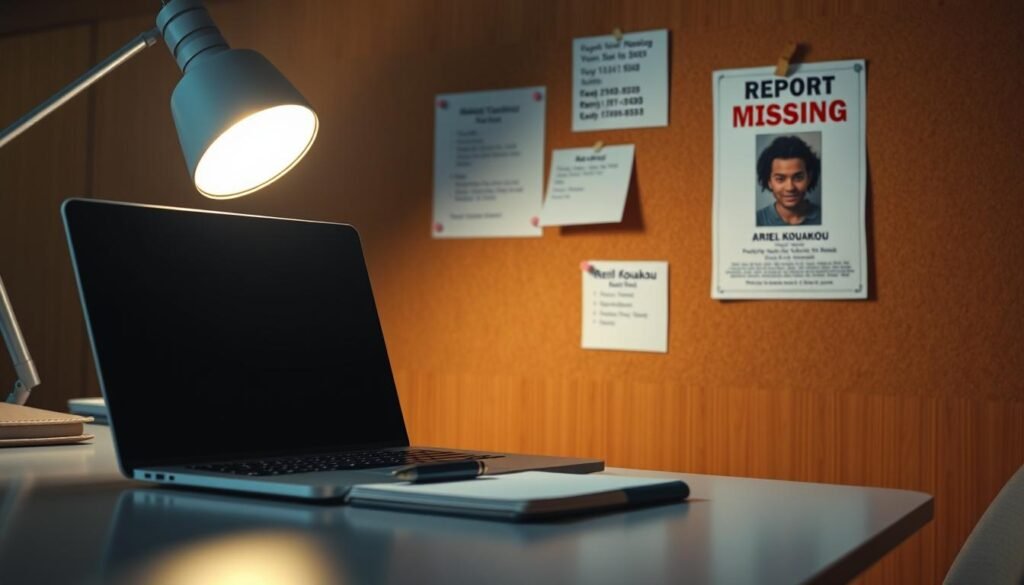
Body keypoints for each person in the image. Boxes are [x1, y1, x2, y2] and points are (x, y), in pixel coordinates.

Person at [755, 135, 822, 226]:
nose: (790, 187)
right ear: (769, 181)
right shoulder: (757, 220)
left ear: (809, 178)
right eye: (780, 179)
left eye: (798, 178)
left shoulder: (824, 217)